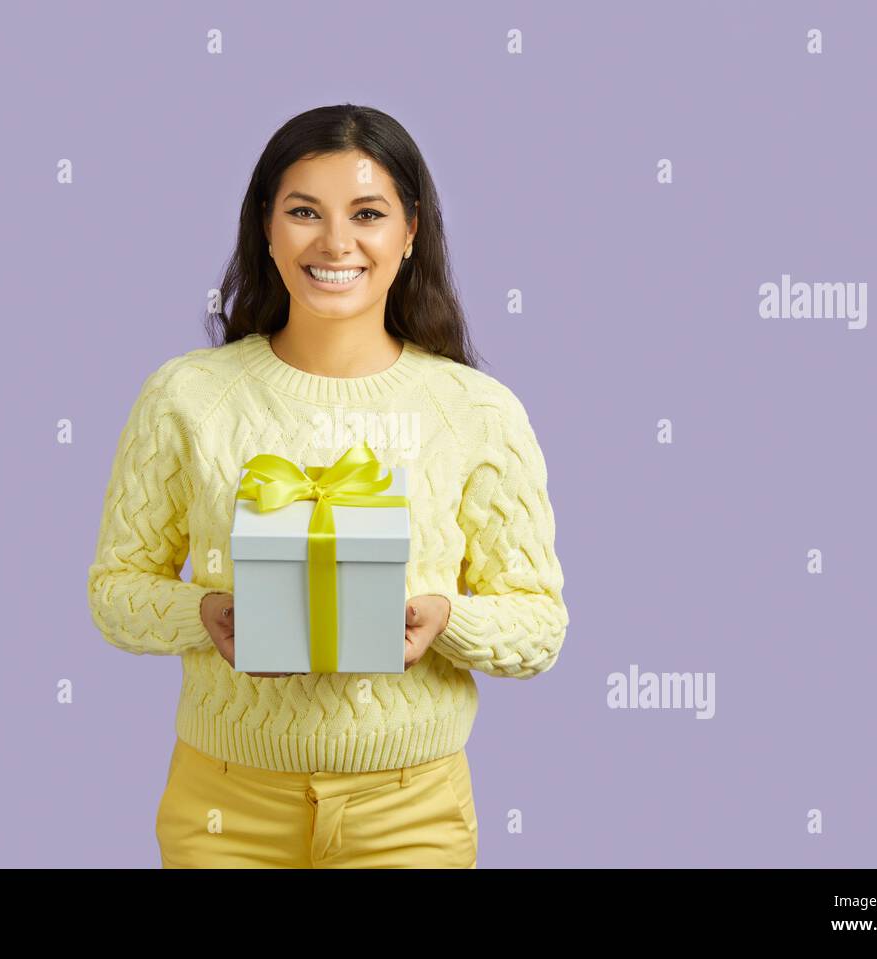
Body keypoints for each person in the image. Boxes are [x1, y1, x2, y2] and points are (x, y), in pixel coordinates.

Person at [86, 103, 568, 868]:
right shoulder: (187, 396)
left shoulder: (476, 411)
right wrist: (203, 613)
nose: (335, 242)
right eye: (304, 212)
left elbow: (541, 625)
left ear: (410, 231)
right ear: (266, 230)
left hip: (411, 808)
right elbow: (114, 592)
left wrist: (445, 620)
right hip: (224, 803)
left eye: (367, 213)